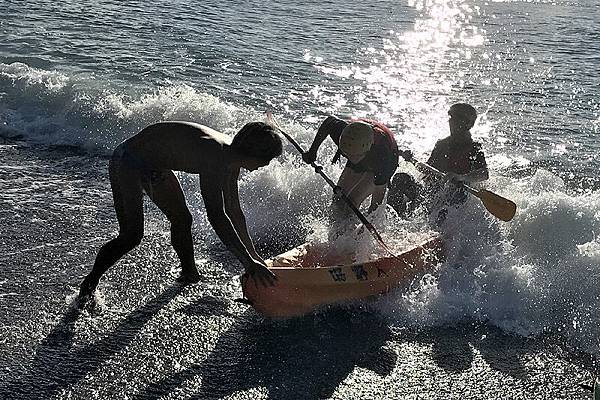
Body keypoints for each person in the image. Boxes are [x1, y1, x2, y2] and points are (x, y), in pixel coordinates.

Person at [77, 121, 282, 306]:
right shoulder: (216, 155)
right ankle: (90, 283)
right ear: (253, 153)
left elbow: (234, 212)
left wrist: (254, 257)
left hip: (155, 166)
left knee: (182, 219)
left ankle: (188, 273)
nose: (267, 165)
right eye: (267, 159)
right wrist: (247, 263)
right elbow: (217, 216)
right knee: (131, 236)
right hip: (128, 159)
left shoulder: (232, 159)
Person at [302, 116, 404, 230]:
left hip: (380, 160)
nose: (349, 158)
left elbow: (376, 204)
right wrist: (312, 152)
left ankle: (348, 234)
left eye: (353, 155)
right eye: (347, 154)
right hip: (360, 149)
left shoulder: (383, 160)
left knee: (352, 201)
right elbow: (329, 121)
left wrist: (366, 228)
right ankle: (335, 232)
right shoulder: (345, 136)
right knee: (338, 200)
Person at [424, 103, 489, 223]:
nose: (451, 122)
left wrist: (461, 177)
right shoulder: (440, 145)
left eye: (456, 119)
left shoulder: (475, 148)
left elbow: (484, 174)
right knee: (402, 179)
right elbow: (427, 170)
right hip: (435, 191)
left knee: (454, 194)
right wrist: (411, 160)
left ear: (468, 124)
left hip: (457, 195)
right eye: (451, 118)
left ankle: (437, 231)